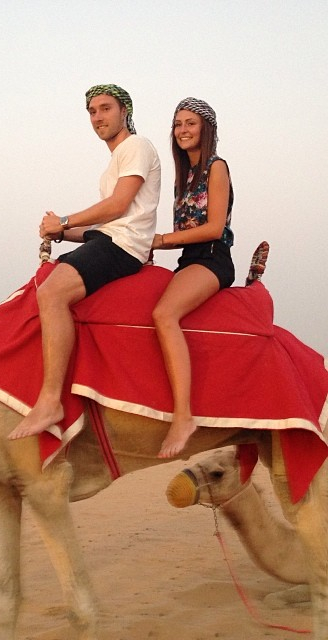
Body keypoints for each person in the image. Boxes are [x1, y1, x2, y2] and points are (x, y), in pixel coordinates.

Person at [8, 84, 161, 440]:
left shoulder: (136, 146)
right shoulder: (114, 164)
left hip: (123, 247)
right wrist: (60, 233)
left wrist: (64, 221)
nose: (97, 117)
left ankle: (50, 401)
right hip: (110, 239)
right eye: (92, 111)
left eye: (105, 108)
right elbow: (102, 224)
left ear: (125, 111)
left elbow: (118, 207)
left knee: (51, 294)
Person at [152, 97, 234, 458]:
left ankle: (183, 416)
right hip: (188, 259)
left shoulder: (217, 167)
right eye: (178, 124)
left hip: (213, 258)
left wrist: (162, 239)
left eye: (190, 123)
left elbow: (214, 227)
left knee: (163, 314)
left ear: (206, 129)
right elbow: (183, 233)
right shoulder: (182, 178)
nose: (182, 130)